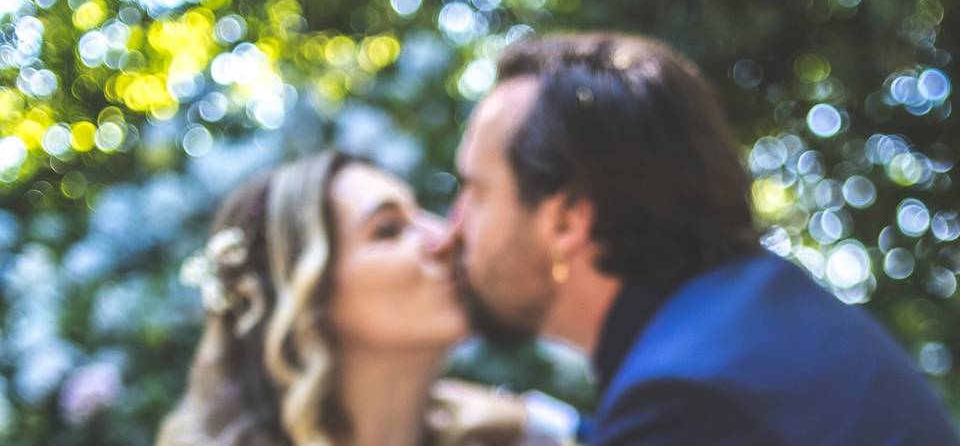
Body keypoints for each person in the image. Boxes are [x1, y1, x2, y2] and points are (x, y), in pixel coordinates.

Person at [433, 32, 960, 444]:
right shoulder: (747, 315)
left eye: (475, 192)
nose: (451, 226)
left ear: (568, 221)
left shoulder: (690, 397)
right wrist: (544, 425)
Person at [156, 151, 528, 446]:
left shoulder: (527, 434)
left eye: (422, 214)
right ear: (307, 297)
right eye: (388, 230)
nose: (446, 237)